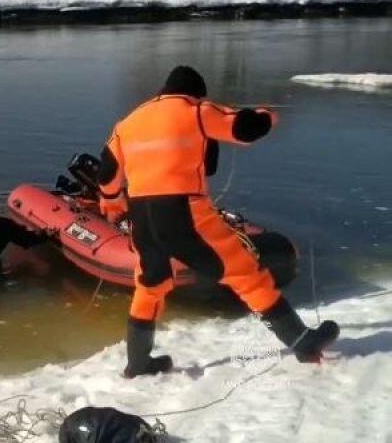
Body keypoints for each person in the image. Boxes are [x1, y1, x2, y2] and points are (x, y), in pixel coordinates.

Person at [96, 65, 339, 378]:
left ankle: (138, 363)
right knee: (246, 275)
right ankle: (303, 343)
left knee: (150, 286)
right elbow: (244, 128)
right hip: (185, 211)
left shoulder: (128, 122)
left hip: (142, 216)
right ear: (196, 92)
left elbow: (107, 172)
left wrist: (112, 200)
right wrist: (268, 114)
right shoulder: (196, 110)